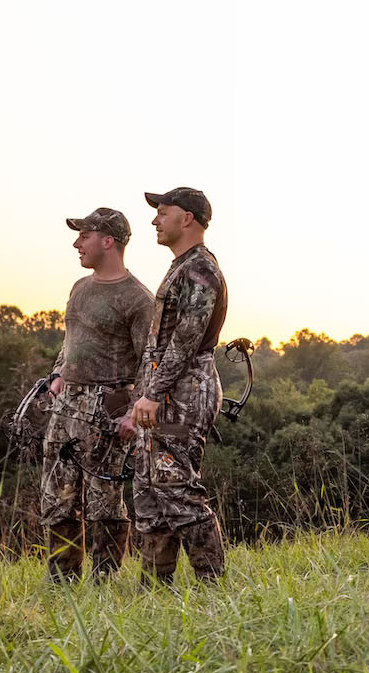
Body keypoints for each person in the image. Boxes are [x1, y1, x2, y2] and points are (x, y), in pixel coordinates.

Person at [120, 186, 229, 586]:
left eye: (162, 212)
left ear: (187, 218)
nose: (154, 220)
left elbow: (186, 338)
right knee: (150, 496)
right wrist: (139, 400)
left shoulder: (201, 269)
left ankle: (212, 589)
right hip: (162, 393)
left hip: (183, 394)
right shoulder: (181, 266)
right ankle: (154, 591)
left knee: (178, 490)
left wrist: (152, 393)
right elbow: (158, 345)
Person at [40, 208, 154, 583]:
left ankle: (104, 582)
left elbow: (148, 363)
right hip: (66, 404)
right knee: (57, 497)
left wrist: (131, 415)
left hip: (108, 408)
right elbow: (71, 341)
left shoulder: (138, 299)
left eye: (84, 236)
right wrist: (58, 374)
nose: (77, 243)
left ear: (108, 241)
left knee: (104, 502)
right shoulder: (80, 288)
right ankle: (62, 582)